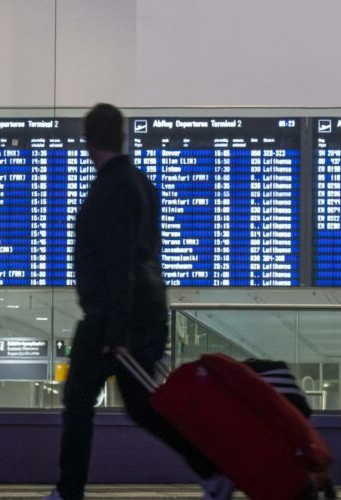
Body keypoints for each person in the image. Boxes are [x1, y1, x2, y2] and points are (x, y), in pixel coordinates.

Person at [46, 104, 233, 500]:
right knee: (144, 406)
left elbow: (117, 263)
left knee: (78, 402)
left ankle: (68, 491)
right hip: (142, 312)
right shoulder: (141, 185)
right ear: (121, 137)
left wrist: (115, 328)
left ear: (88, 143)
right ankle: (213, 470)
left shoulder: (108, 191)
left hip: (111, 318)